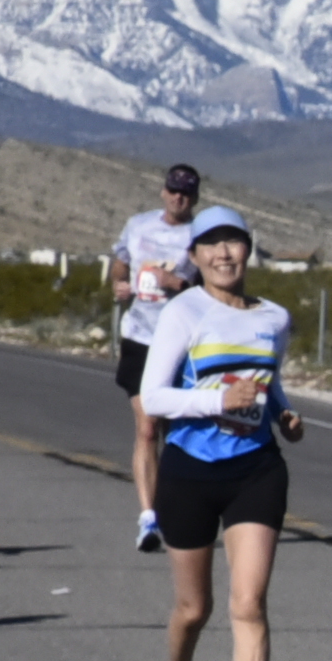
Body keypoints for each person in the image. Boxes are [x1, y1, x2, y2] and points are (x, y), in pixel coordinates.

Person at [137, 207, 301, 661]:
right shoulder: (184, 311)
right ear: (195, 256)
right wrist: (216, 402)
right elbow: (154, 397)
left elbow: (268, 380)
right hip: (190, 470)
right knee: (194, 608)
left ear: (248, 249)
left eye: (233, 242)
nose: (223, 254)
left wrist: (283, 414)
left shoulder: (275, 317)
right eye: (211, 245)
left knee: (248, 602)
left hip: (256, 469)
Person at [108, 164, 202, 552]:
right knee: (147, 428)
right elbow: (119, 260)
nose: (179, 197)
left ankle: (173, 505)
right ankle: (148, 518)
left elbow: (214, 285)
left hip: (180, 342)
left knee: (173, 433)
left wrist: (176, 283)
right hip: (140, 338)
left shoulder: (200, 235)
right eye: (173, 190)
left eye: (186, 192)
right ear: (163, 191)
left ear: (195, 198)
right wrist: (119, 282)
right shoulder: (138, 225)